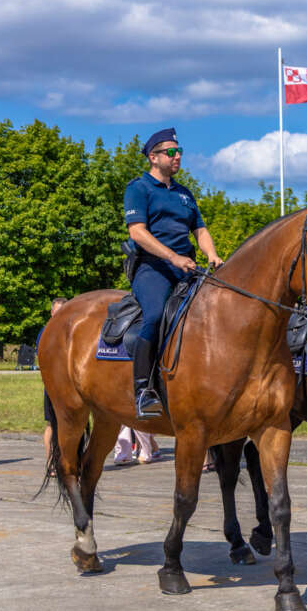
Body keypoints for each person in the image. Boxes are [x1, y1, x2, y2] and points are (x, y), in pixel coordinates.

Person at [124, 127, 223, 419]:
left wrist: (212, 255)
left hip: (188, 268)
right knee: (155, 315)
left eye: (179, 151)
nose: (177, 156)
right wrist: (172, 257)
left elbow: (200, 229)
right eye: (171, 152)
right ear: (153, 158)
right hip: (152, 268)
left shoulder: (184, 193)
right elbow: (138, 233)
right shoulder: (138, 188)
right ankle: (143, 390)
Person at [40, 297, 67, 465]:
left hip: (69, 387)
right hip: (53, 386)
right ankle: (50, 461)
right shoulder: (46, 332)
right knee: (52, 423)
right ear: (51, 313)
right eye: (57, 312)